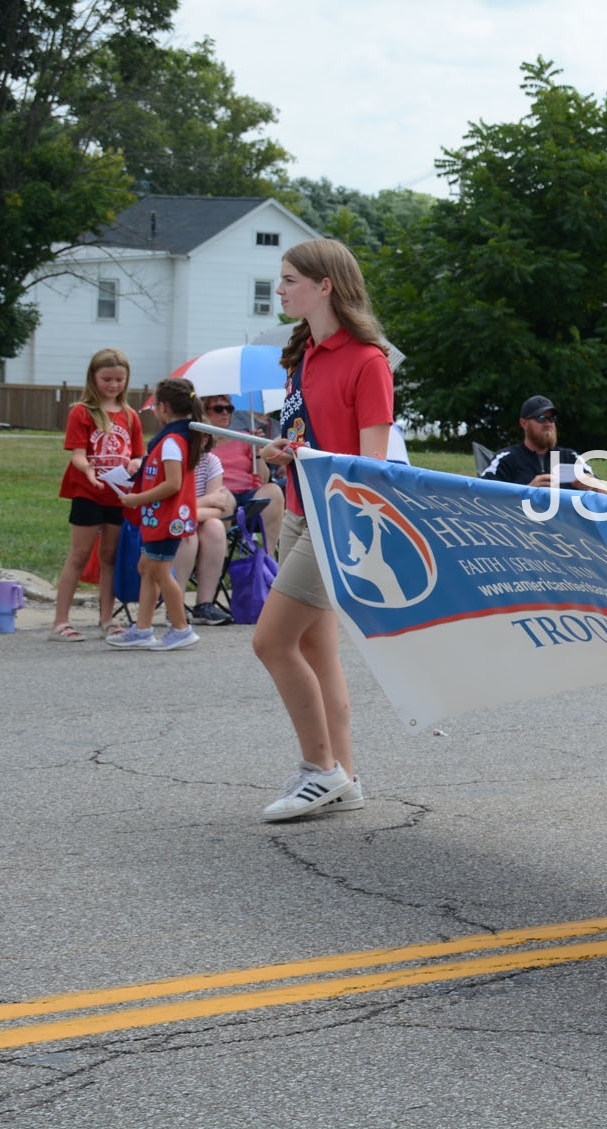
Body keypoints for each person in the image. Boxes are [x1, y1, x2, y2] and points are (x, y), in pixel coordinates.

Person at [252, 239, 394, 823]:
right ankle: (346, 778)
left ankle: (321, 770)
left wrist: (313, 460)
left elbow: (372, 467)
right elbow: (308, 436)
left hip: (338, 520)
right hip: (297, 510)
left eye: (290, 279)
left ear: (324, 285)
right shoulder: (302, 355)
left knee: (270, 642)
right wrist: (283, 450)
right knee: (317, 652)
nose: (280, 289)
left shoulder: (368, 360)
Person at [50, 349, 145, 641]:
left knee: (110, 556)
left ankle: (107, 618)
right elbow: (78, 455)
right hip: (88, 493)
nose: (113, 385)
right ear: (93, 377)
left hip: (118, 495)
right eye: (107, 379)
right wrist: (88, 470)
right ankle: (60, 622)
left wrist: (135, 464)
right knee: (79, 555)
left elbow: (137, 454)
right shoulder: (82, 412)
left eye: (119, 379)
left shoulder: (130, 416)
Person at [106, 377, 205, 652]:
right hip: (161, 518)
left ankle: (182, 629)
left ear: (163, 407)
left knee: (160, 571)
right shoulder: (176, 438)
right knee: (146, 567)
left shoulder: (172, 441)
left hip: (167, 519)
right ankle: (142, 629)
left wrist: (136, 499)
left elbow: (173, 484)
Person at [176, 407, 238, 626]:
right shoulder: (175, 460)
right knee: (187, 531)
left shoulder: (210, 462)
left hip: (195, 519)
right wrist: (203, 503)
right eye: (196, 435)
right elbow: (170, 508)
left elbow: (218, 508)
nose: (201, 440)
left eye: (205, 436)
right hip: (171, 523)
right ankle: (175, 604)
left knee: (215, 527)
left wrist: (189, 510)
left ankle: (204, 603)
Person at [480, 395, 607, 493]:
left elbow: (606, 497)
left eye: (552, 418)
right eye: (541, 418)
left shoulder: (570, 457)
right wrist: (527, 490)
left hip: (564, 522)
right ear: (524, 423)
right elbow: (481, 495)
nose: (548, 424)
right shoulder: (507, 459)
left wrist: (593, 485)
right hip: (519, 521)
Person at [206, 397, 285, 555]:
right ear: (205, 413)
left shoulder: (243, 437)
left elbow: (263, 479)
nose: (225, 413)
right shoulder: (202, 443)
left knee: (274, 491)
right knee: (223, 497)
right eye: (218, 409)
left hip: (248, 496)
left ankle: (267, 558)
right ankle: (221, 557)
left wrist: (257, 453)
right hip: (220, 494)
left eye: (229, 409)